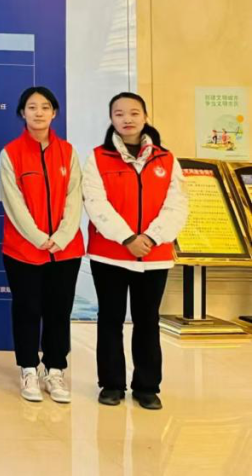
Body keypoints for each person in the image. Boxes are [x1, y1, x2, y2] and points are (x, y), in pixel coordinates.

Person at [83, 92, 188, 410]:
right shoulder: (97, 158)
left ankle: (147, 386)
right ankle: (111, 384)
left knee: (147, 320)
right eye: (119, 114)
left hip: (153, 256)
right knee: (110, 318)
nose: (127, 119)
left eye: (133, 113)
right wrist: (127, 237)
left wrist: (152, 237)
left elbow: (177, 204)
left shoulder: (166, 159)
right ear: (111, 119)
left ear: (145, 116)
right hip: (110, 253)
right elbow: (95, 203)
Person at [0, 86, 84, 404]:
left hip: (66, 249)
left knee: (59, 310)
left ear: (54, 113)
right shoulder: (11, 153)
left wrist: (60, 237)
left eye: (45, 107)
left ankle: (55, 368)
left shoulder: (68, 152)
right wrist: (37, 237)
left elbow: (74, 197)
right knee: (27, 309)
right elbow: (13, 202)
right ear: (22, 112)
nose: (39, 112)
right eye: (32, 107)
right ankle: (28, 369)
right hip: (23, 249)